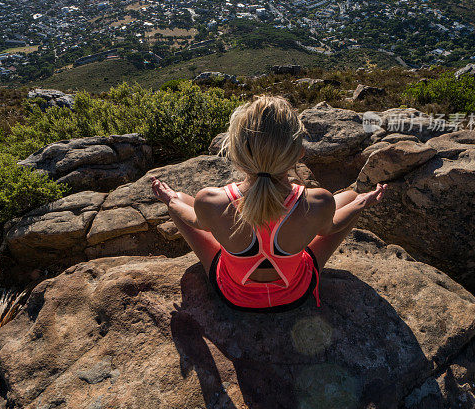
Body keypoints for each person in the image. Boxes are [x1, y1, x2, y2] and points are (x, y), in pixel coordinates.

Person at [152, 95, 386, 312]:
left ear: (236, 151)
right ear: (299, 153)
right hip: (295, 293)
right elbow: (330, 229)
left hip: (234, 295)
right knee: (350, 198)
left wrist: (171, 200)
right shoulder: (318, 201)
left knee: (183, 201)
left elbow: (196, 222)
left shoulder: (211, 200)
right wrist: (362, 204)